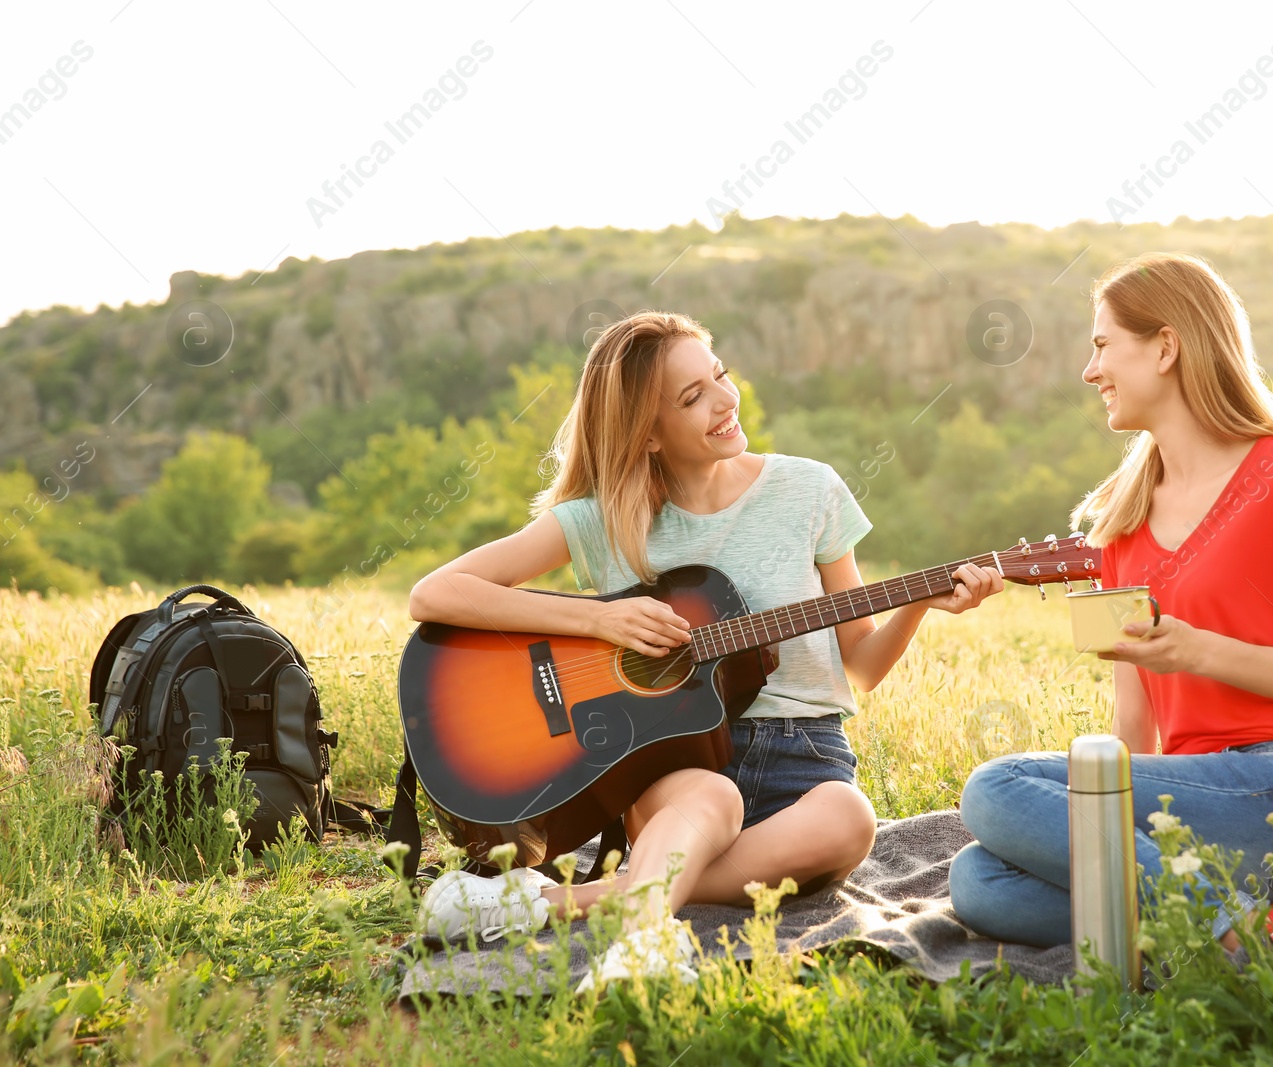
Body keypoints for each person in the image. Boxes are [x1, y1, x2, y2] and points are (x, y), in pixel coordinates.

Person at [407, 310, 1003, 988]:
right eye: (692, 397)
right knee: (709, 799)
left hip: (804, 757)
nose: (724, 401)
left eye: (718, 375)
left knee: (851, 819)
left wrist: (919, 602)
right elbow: (436, 593)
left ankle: (548, 903)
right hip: (670, 758)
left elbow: (861, 668)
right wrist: (599, 623)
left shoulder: (810, 489)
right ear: (649, 434)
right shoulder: (604, 519)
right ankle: (641, 946)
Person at [949, 253, 1273, 965]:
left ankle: (1233, 951)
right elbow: (1134, 727)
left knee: (995, 787)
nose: (1091, 371)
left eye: (1102, 344)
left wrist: (1198, 650)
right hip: (1192, 812)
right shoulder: (1121, 526)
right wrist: (1123, 845)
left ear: (1167, 346)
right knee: (977, 879)